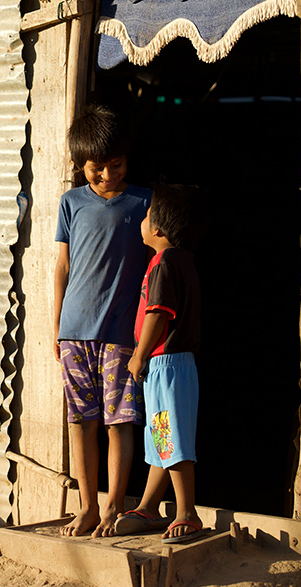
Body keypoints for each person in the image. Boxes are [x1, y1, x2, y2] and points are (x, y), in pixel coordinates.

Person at [54, 105, 151, 537]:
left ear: (127, 160)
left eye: (116, 166)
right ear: (81, 166)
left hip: (120, 337)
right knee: (81, 422)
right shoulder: (70, 203)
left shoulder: (144, 203)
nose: (108, 176)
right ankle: (87, 505)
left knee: (119, 422)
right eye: (97, 169)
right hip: (75, 331)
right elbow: (62, 267)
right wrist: (56, 326)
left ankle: (113, 506)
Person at [118, 184, 206, 544]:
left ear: (158, 228)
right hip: (165, 367)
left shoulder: (165, 263)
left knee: (172, 439)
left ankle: (187, 511)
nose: (142, 219)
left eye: (146, 213)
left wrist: (139, 355)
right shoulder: (175, 261)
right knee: (160, 437)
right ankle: (150, 506)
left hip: (166, 365)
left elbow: (157, 314)